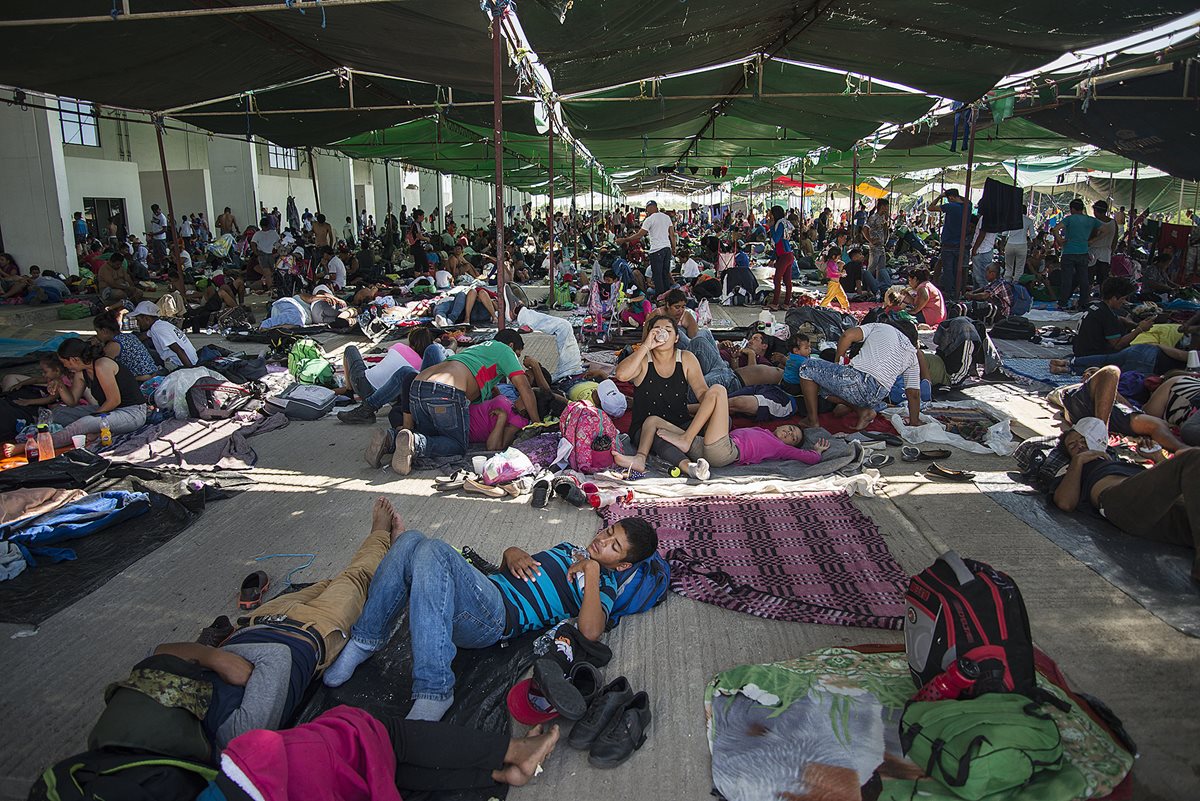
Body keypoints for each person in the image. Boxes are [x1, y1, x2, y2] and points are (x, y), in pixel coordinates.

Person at [322, 517, 660, 722]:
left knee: (433, 550)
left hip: (494, 619)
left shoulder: (604, 583)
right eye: (608, 531)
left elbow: (591, 630)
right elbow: (511, 575)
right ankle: (366, 640)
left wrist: (592, 569)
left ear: (623, 565)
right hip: (485, 593)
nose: (602, 541)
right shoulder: (568, 547)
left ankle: (435, 689)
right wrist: (509, 553)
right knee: (411, 540)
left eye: (614, 546)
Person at [1052, 419, 1199, 581]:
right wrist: (1078, 461)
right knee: (1194, 457)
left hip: (1161, 512)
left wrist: (1157, 457)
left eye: (1083, 439)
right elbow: (1065, 503)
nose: (1080, 445)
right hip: (1119, 503)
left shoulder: (1120, 462)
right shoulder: (1074, 470)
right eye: (1072, 445)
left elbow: (1184, 479)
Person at [374, 332, 538, 474]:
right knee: (457, 445)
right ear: (510, 346)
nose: (516, 360)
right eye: (517, 354)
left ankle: (391, 439)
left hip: (418, 386)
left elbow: (473, 381)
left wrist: (491, 391)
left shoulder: (479, 349)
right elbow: (525, 388)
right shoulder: (505, 350)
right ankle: (415, 444)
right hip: (444, 391)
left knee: (431, 436)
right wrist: (538, 424)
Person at [617, 382, 830, 479]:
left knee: (718, 390)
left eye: (793, 438)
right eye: (792, 430)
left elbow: (809, 458)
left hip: (724, 452)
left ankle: (685, 438)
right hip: (707, 448)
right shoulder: (763, 431)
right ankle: (640, 458)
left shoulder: (780, 448)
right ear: (784, 424)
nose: (790, 434)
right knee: (653, 420)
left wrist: (817, 452)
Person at [795, 322, 923, 431]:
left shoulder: (882, 327)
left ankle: (812, 420)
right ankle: (863, 411)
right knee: (819, 383)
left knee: (806, 367)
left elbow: (847, 335)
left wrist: (837, 363)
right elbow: (913, 393)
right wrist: (914, 422)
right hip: (878, 395)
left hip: (859, 379)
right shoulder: (912, 354)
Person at [616, 314, 710, 442]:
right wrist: (645, 346)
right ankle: (684, 460)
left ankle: (686, 442)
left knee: (721, 420)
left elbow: (702, 392)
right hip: (647, 429)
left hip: (679, 424)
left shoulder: (686, 358)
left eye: (668, 330)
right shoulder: (643, 359)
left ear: (676, 338)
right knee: (660, 439)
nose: (662, 333)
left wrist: (713, 404)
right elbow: (621, 375)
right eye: (657, 330)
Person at [1058, 365, 1188, 453]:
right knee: (1112, 370)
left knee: (1112, 371)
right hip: (1086, 408)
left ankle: (1184, 450)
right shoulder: (1076, 390)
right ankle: (1184, 450)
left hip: (1101, 415)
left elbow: (1128, 408)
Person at [49, 338, 148, 448]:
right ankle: (94, 432)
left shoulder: (102, 365)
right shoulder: (82, 373)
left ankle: (41, 444)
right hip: (107, 411)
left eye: (64, 362)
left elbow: (114, 401)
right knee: (59, 413)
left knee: (83, 424)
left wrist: (91, 419)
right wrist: (60, 385)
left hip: (132, 413)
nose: (65, 366)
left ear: (74, 359)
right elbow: (72, 401)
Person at [339, 327, 448, 425]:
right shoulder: (421, 367)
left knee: (351, 349)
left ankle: (351, 391)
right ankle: (366, 408)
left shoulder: (398, 347)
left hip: (363, 383)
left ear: (412, 344)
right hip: (385, 396)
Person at [1049, 278, 1160, 375]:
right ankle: (1069, 368)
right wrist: (1139, 329)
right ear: (1114, 298)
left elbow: (1115, 320)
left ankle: (1068, 364)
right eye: (1122, 299)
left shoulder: (1096, 306)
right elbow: (1118, 345)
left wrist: (1132, 324)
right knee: (1126, 360)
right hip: (1092, 354)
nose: (1124, 303)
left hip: (1079, 350)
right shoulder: (1106, 315)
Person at [501, 284, 584, 382]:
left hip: (568, 377)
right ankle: (521, 314)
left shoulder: (537, 392)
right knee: (564, 326)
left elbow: (545, 392)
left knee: (564, 326)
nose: (527, 371)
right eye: (529, 372)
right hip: (572, 375)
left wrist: (535, 366)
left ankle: (520, 313)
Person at [616, 200, 676, 297]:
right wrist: (674, 247)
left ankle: (660, 298)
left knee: (657, 276)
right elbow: (672, 234)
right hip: (667, 249)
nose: (647, 211)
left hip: (657, 250)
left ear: (650, 208)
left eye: (647, 209)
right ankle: (667, 297)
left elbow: (639, 235)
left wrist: (624, 239)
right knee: (665, 274)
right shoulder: (666, 217)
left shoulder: (650, 219)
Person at [1052, 199, 1103, 311]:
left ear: (1072, 209)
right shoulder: (1091, 220)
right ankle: (1083, 302)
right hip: (1083, 252)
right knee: (1084, 280)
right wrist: (1092, 240)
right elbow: (1104, 230)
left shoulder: (1069, 219)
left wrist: (1060, 240)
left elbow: (1055, 229)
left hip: (1069, 252)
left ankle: (1063, 302)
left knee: (1067, 279)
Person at [928, 188, 971, 298]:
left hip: (949, 244)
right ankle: (958, 292)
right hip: (961, 244)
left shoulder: (950, 206)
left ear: (950, 198)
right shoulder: (968, 206)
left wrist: (940, 196)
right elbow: (966, 200)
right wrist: (953, 194)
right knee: (959, 270)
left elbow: (930, 207)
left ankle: (950, 293)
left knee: (948, 271)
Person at [132, 300, 198, 370]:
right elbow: (144, 336)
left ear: (147, 319)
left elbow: (178, 350)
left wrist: (191, 370)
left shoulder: (157, 328)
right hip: (192, 359)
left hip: (182, 364)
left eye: (138, 320)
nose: (138, 324)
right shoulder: (160, 324)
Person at [93, 312, 158, 381]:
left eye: (97, 331)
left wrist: (94, 347)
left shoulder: (113, 345)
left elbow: (102, 366)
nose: (97, 335)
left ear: (104, 331)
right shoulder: (129, 336)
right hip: (154, 374)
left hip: (142, 381)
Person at [767, 204, 795, 310]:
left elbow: (776, 239)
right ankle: (786, 303)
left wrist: (771, 227)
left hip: (784, 256)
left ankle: (775, 303)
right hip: (788, 254)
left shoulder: (779, 224)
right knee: (787, 280)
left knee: (777, 279)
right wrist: (773, 259)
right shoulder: (784, 222)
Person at [1001, 208, 1036, 282]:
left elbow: (1004, 234)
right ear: (1026, 212)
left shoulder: (1010, 219)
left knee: (1008, 267)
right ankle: (1016, 285)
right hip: (1022, 245)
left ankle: (1007, 283)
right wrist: (1034, 246)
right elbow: (1033, 236)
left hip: (1010, 244)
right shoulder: (1029, 220)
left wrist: (1002, 245)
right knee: (1019, 269)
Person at [1089, 200, 1118, 287]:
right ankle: (1104, 296)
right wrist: (1111, 251)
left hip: (1093, 251)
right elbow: (1115, 239)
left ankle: (1087, 296)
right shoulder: (1113, 223)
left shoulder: (1095, 223)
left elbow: (1091, 237)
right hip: (1106, 252)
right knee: (1103, 278)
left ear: (1096, 211)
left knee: (1089, 277)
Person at [861, 198, 891, 280]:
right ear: (883, 207)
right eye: (887, 207)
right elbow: (864, 229)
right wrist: (870, 240)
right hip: (875, 247)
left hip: (881, 246)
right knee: (872, 268)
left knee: (881, 268)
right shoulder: (873, 217)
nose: (888, 209)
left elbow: (885, 229)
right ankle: (866, 285)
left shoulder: (883, 217)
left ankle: (878, 284)